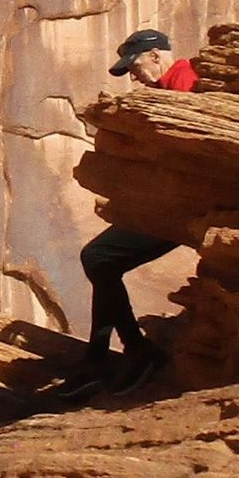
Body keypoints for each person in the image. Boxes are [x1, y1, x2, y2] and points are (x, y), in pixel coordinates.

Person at [52, 28, 200, 397]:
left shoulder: (183, 78)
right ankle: (102, 359)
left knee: (99, 258)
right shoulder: (168, 88)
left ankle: (128, 354)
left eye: (134, 68)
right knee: (103, 262)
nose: (134, 78)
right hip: (170, 204)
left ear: (155, 57)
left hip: (183, 208)